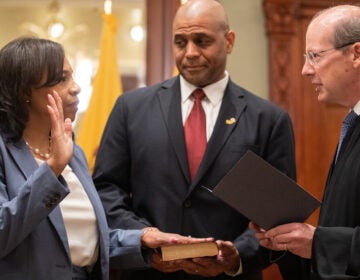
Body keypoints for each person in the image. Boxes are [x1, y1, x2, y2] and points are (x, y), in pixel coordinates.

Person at [93, 0, 308, 279]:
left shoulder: (268, 119)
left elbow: (278, 218)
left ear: (228, 41)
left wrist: (237, 256)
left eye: (202, 41)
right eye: (180, 42)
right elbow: (106, 191)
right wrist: (144, 238)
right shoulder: (130, 108)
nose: (190, 53)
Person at [0, 36, 211, 280]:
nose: (76, 87)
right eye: (61, 79)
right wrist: (53, 167)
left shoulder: (73, 152)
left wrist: (141, 241)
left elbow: (85, 242)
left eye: (72, 76)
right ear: (25, 91)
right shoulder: (12, 152)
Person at [252, 4, 360, 279]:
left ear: (356, 53)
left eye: (314, 56)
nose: (305, 70)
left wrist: (317, 242)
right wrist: (290, 243)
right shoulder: (352, 124)